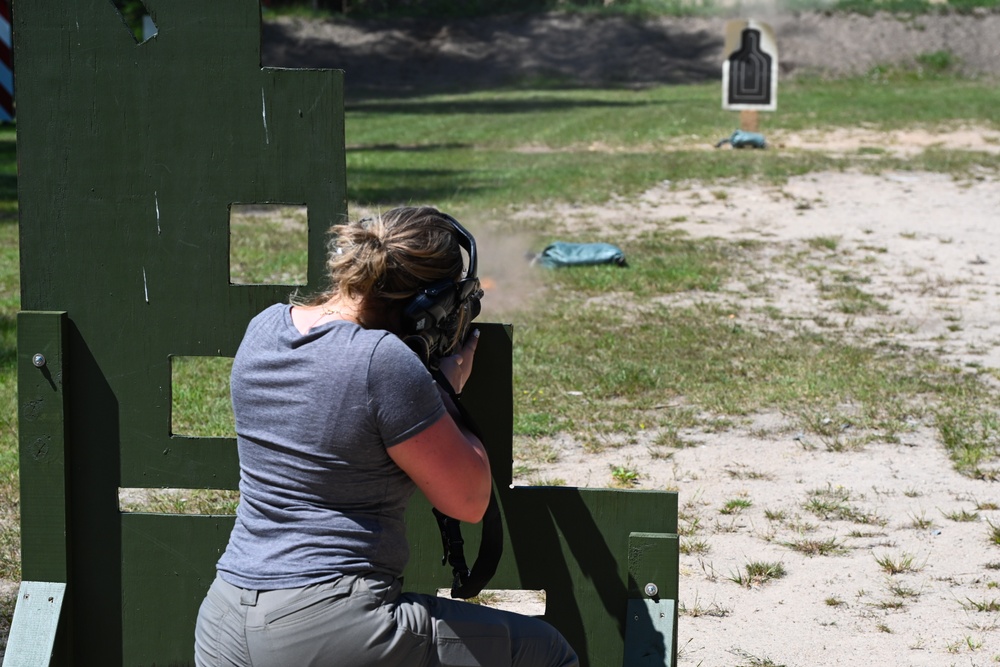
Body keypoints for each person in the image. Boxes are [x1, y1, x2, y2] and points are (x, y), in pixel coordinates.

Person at [194, 206, 578, 667]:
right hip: (326, 622)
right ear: (425, 304)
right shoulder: (383, 360)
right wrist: (442, 392)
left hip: (225, 619)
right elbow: (470, 500)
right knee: (544, 653)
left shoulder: (264, 328)